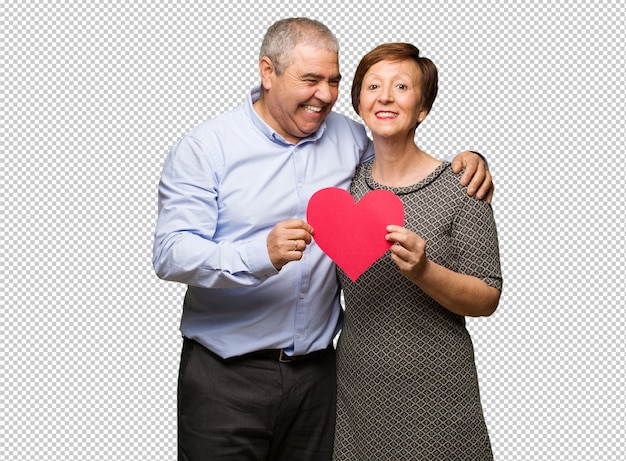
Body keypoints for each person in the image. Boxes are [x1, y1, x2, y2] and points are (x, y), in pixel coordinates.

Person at [153, 18, 492, 461]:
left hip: (320, 380)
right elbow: (170, 253)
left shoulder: (351, 140)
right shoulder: (205, 148)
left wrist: (470, 159)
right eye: (310, 80)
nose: (327, 95)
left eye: (333, 80)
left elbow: (403, 159)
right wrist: (260, 254)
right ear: (267, 72)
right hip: (226, 381)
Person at [332, 42, 503, 460]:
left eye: (401, 86)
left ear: (422, 108)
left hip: (440, 393)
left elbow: (488, 297)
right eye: (373, 85)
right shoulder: (342, 183)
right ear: (359, 102)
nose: (385, 96)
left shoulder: (462, 185)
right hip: (358, 392)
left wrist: (425, 270)